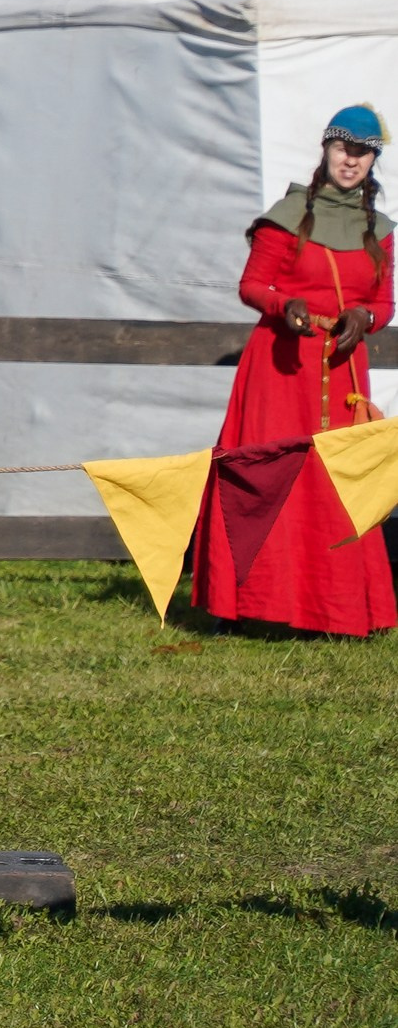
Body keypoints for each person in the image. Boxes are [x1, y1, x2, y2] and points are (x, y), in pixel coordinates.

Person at [192, 105, 396, 636]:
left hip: (343, 368)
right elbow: (252, 284)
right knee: (266, 472)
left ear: (374, 159)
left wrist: (364, 315)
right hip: (281, 368)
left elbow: (383, 300)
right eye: (343, 147)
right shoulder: (288, 215)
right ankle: (244, 606)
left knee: (336, 479)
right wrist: (285, 305)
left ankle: (332, 609)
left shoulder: (380, 229)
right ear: (326, 149)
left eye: (363, 151)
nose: (351, 160)